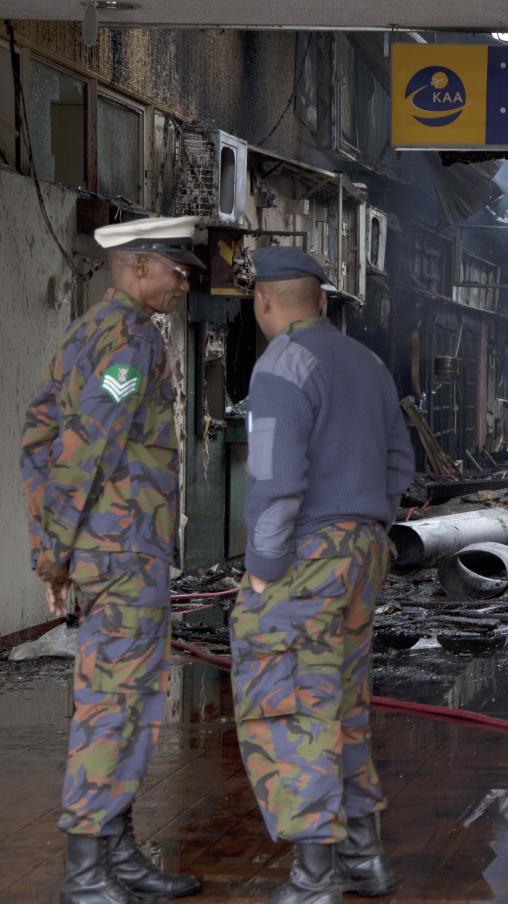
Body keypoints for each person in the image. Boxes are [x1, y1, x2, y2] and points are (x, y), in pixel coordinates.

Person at [20, 216, 205, 904]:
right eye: (174, 269)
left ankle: (118, 853)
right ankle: (86, 873)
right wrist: (53, 556)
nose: (184, 283)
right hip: (123, 553)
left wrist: (53, 540)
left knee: (127, 702)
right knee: (114, 705)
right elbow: (84, 446)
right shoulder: (128, 340)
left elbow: (38, 436)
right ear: (134, 267)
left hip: (113, 549)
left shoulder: (84, 334)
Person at [232, 245, 415, 904]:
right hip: (365, 548)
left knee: (287, 705)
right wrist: (371, 532)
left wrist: (262, 572)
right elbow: (401, 463)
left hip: (306, 557)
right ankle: (363, 857)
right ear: (321, 298)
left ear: (264, 300)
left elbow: (276, 482)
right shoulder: (366, 363)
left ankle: (314, 879)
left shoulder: (282, 364)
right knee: (343, 706)